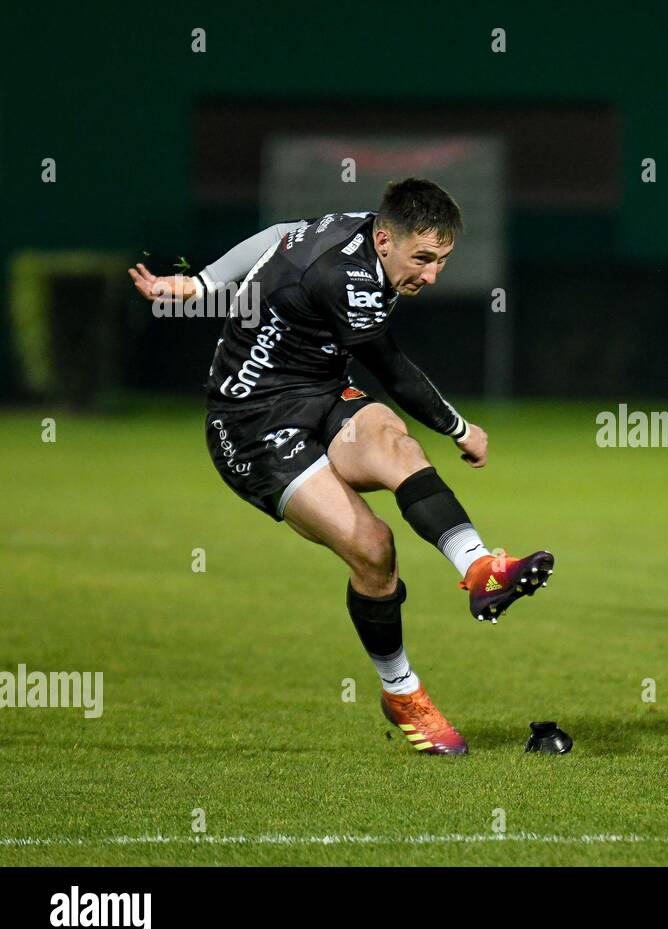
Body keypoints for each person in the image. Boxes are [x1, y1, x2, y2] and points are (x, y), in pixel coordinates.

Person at [129, 178, 554, 757]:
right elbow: (393, 368)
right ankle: (402, 691)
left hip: (323, 393)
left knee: (396, 445)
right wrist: (461, 428)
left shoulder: (364, 225)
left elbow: (280, 236)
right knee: (374, 550)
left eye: (442, 261)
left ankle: (480, 568)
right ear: (385, 241)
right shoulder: (342, 277)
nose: (431, 276)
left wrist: (202, 282)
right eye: (423, 259)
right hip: (252, 426)